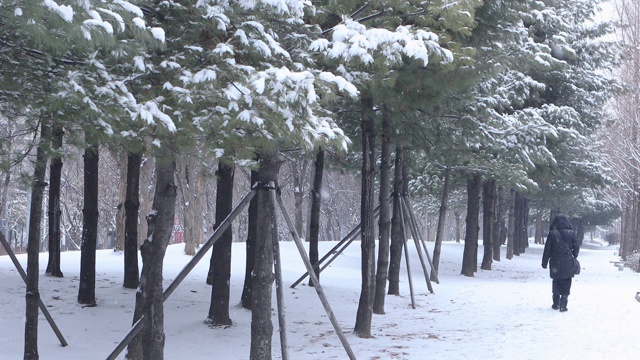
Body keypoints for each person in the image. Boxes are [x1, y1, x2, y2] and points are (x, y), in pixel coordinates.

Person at [541, 214, 580, 312]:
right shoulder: (571, 233)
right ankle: (563, 303)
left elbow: (547, 249)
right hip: (567, 262)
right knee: (567, 281)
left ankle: (555, 303)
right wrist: (574, 255)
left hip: (555, 262)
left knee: (556, 281)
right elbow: (576, 247)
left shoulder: (552, 233)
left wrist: (544, 262)